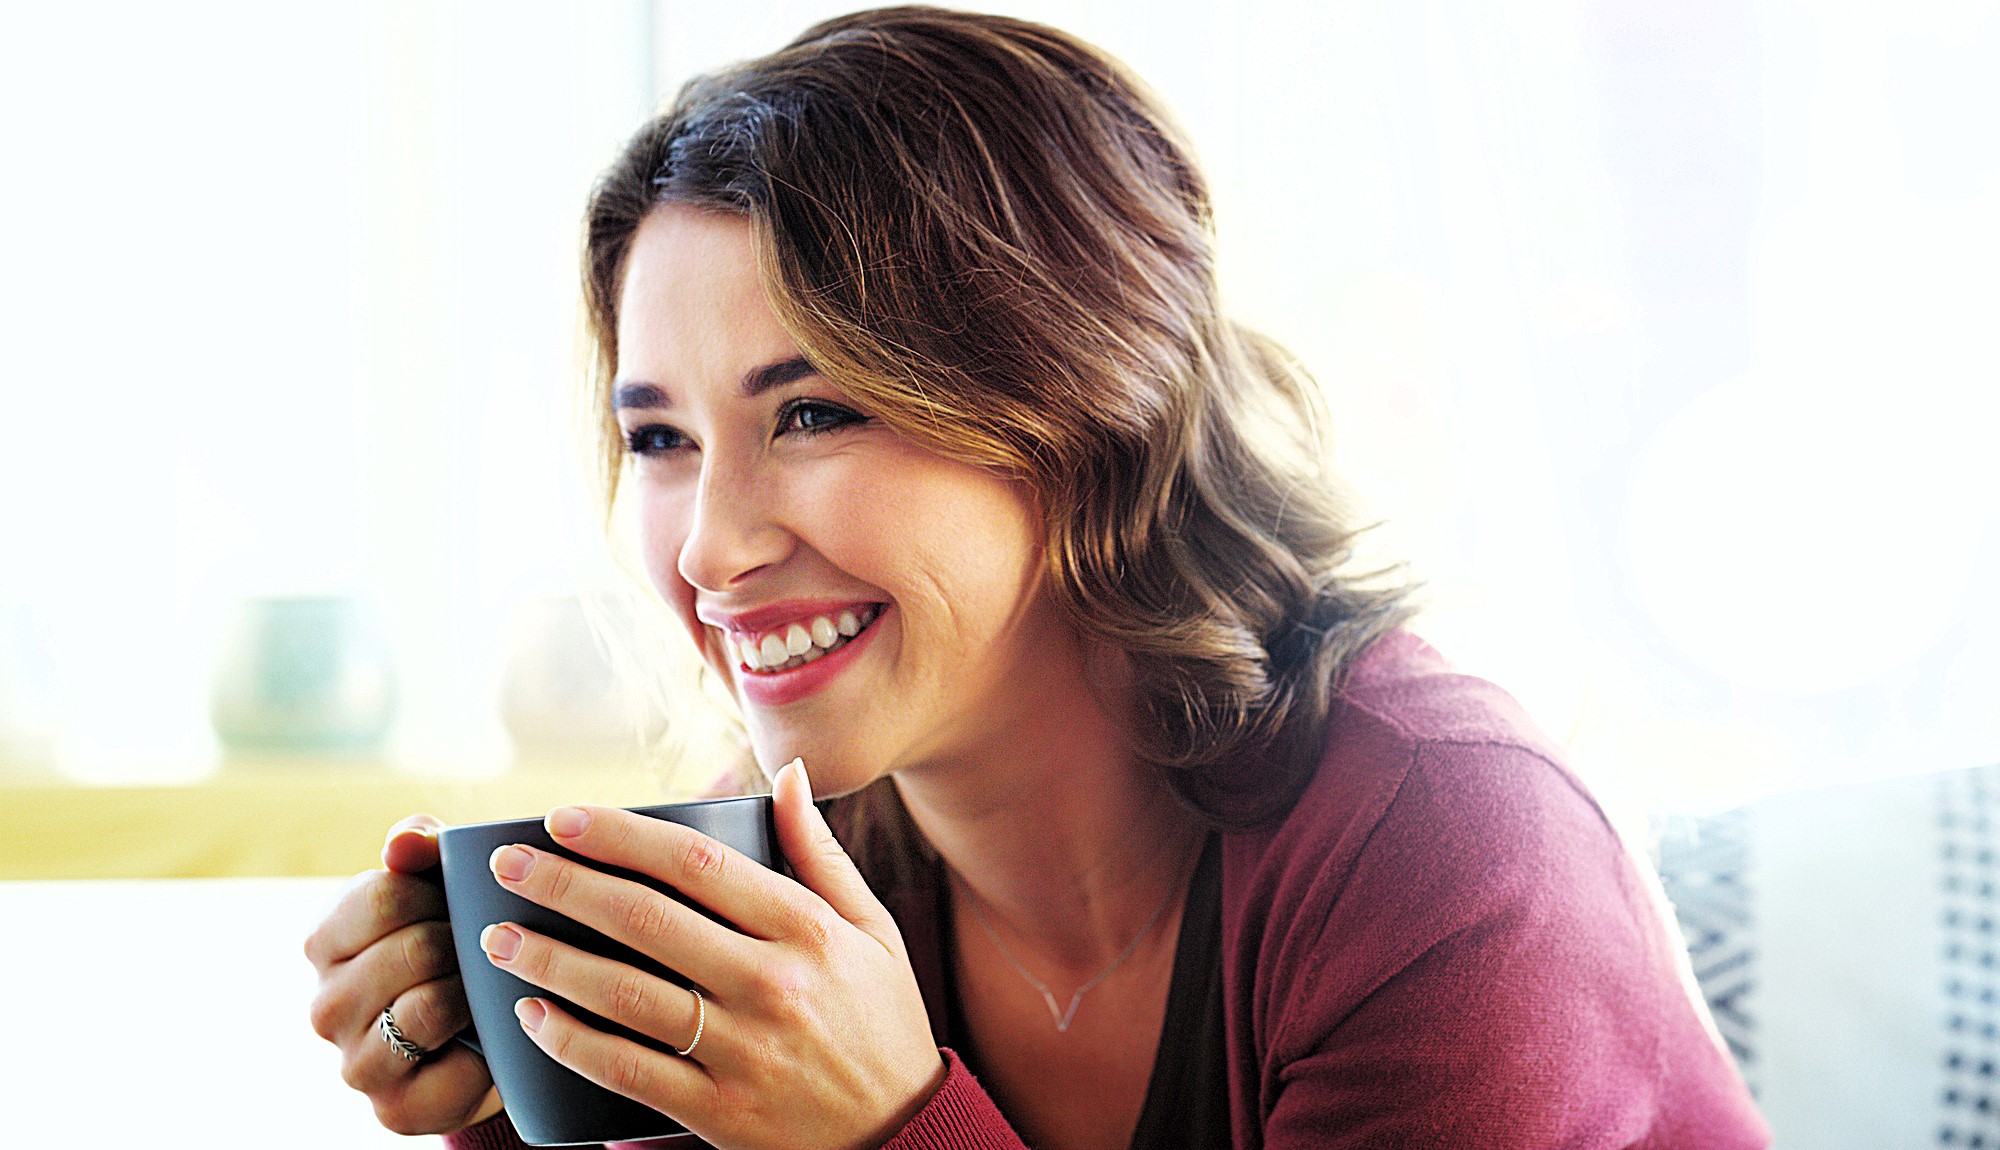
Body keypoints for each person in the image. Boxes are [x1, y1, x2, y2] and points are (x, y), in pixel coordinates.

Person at [305, 8, 1771, 1148]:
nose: (706, 546)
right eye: (663, 439)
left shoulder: (1445, 845)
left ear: (1077, 411)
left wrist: (890, 1126)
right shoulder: (810, 873)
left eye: (813, 412)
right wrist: (525, 1100)